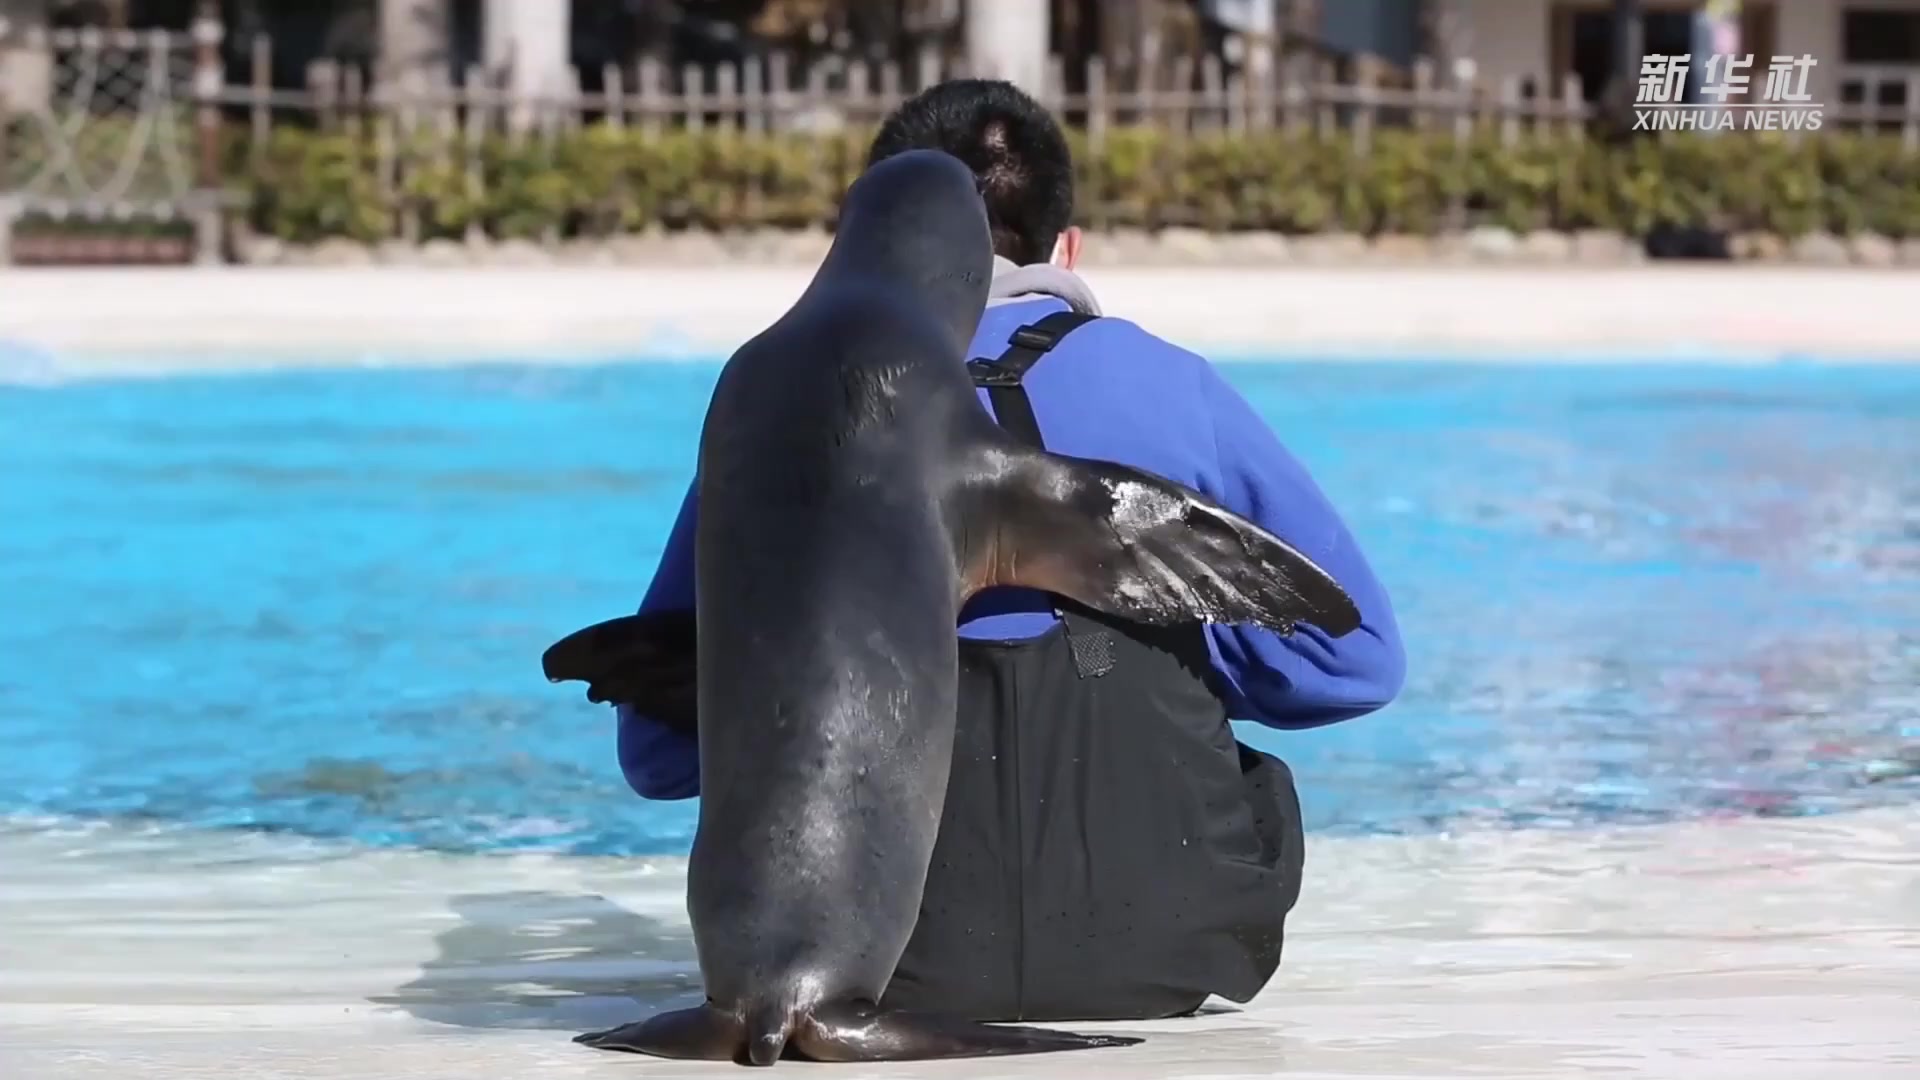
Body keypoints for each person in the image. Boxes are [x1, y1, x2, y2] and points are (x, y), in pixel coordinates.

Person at [610, 78, 1404, 1023]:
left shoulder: (785, 402)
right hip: (1165, 944)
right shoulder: (1173, 385)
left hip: (887, 961)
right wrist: (1142, 609)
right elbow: (1355, 662)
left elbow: (657, 754)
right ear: (1065, 247)